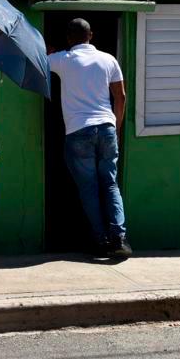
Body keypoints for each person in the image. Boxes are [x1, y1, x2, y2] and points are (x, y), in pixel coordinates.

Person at [48, 18, 131, 257]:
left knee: (89, 188)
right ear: (91, 35)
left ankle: (101, 240)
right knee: (110, 184)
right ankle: (120, 239)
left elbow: (40, 62)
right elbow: (121, 96)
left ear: (68, 38)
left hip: (78, 131)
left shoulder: (63, 59)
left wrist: (50, 52)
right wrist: (116, 127)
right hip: (106, 127)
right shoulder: (108, 59)